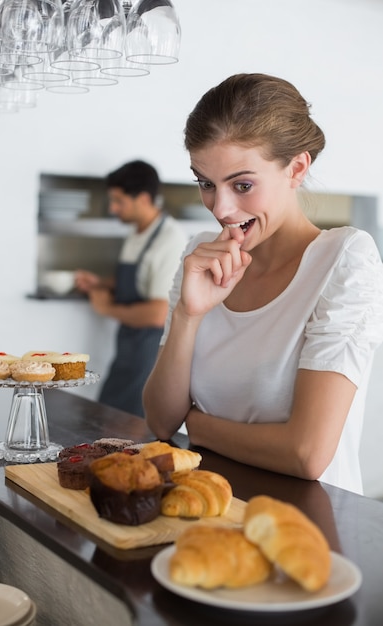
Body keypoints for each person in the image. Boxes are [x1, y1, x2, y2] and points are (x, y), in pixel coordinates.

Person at [143, 73, 383, 494]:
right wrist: (188, 315)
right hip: (209, 508)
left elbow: (306, 453)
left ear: (297, 168)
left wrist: (198, 426)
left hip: (308, 530)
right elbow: (162, 421)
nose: (221, 207)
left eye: (243, 185)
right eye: (206, 183)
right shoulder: (201, 254)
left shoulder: (345, 260)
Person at [75, 160, 187, 417]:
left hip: (149, 357)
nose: (113, 209)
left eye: (118, 201)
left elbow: (158, 312)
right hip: (127, 350)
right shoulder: (137, 232)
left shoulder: (170, 240)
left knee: (130, 433)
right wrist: (101, 283)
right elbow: (137, 282)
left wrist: (106, 307)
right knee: (105, 421)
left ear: (144, 198)